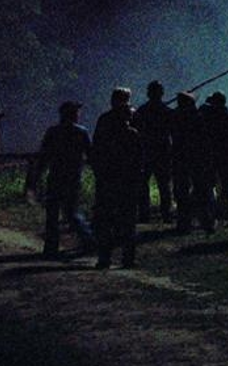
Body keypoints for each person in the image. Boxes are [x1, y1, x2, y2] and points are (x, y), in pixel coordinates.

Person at [88, 87, 143, 270]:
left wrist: (99, 173)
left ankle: (104, 258)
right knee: (127, 221)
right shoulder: (133, 133)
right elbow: (139, 160)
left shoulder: (104, 121)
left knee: (106, 220)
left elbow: (95, 151)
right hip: (126, 181)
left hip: (108, 178)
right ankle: (128, 258)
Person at [33, 100, 92, 256]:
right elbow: (91, 155)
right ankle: (88, 240)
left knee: (52, 214)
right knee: (71, 212)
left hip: (56, 176)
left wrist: (36, 177)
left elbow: (44, 157)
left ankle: (51, 247)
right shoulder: (81, 132)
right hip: (73, 177)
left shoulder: (53, 132)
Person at [199, 90, 228, 237]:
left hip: (210, 156)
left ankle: (210, 220)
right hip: (226, 157)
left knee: (209, 188)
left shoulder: (207, 117)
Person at [137, 81, 173, 223]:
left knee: (143, 184)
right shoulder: (167, 111)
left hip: (147, 151)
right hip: (162, 151)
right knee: (164, 184)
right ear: (161, 93)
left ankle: (144, 214)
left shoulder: (142, 111)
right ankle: (166, 214)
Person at [170, 90, 205, 229]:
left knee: (181, 189)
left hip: (179, 156)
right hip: (195, 156)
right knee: (198, 187)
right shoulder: (196, 116)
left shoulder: (174, 116)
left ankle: (183, 221)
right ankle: (201, 219)